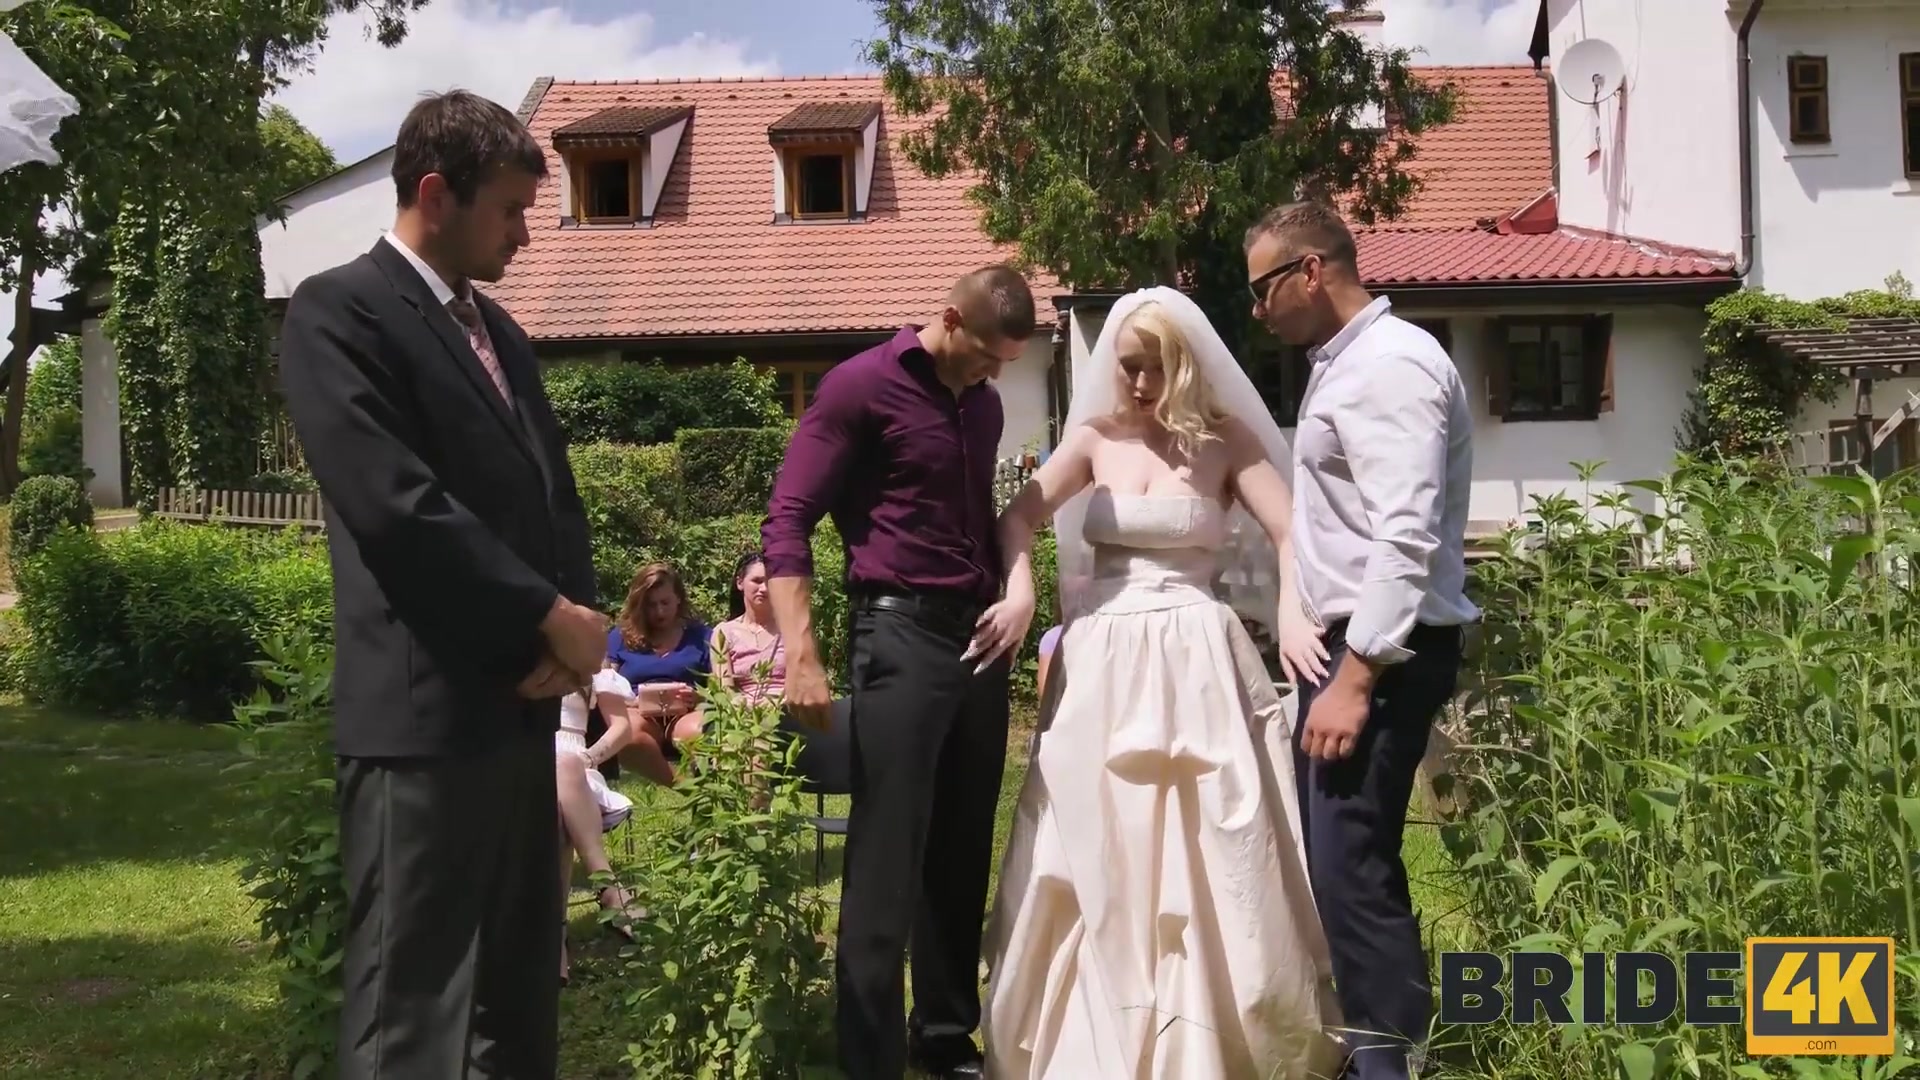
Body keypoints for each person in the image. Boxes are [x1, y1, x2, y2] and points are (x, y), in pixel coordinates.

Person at [277, 90, 607, 1079]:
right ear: (434, 193)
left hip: (520, 713)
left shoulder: (498, 332)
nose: (523, 235)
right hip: (421, 725)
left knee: (517, 995)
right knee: (411, 1011)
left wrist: (574, 631)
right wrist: (542, 613)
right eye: (508, 210)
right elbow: (395, 504)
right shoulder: (339, 313)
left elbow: (554, 497)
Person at [970, 286, 1342, 1078]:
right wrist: (1022, 588)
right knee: (1088, 823)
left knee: (1215, 831)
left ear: (1186, 364)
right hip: (1102, 656)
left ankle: (1219, 1031)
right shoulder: (1095, 438)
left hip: (1197, 655)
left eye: (1155, 367)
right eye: (1129, 366)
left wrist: (1293, 610)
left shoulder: (1227, 440)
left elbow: (1290, 529)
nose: (1139, 382)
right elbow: (1017, 517)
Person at [761, 264, 1038, 1080]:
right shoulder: (860, 387)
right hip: (898, 631)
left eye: (1005, 364)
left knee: (961, 847)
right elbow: (788, 518)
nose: (993, 375)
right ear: (950, 319)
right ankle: (870, 1062)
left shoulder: (982, 405)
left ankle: (944, 1042)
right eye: (985, 356)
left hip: (978, 638)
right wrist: (801, 653)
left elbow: (979, 522)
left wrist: (1016, 588)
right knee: (887, 855)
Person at [1246, 201, 1479, 1080]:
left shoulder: (1390, 366)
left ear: (1311, 270)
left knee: (1352, 865)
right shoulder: (1346, 365)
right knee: (1345, 861)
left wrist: (1355, 677)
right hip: (1356, 644)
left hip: (1383, 651)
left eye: (1263, 288)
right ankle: (1382, 1050)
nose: (1258, 309)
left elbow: (1404, 535)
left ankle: (1391, 1062)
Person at [606, 562, 711, 750]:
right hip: (637, 712)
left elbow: (722, 687)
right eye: (651, 605)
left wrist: (699, 697)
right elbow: (603, 685)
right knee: (631, 733)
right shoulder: (621, 636)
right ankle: (667, 771)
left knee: (699, 732)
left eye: (665, 603)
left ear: (678, 598)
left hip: (687, 713)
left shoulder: (701, 637)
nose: (659, 612)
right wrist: (629, 702)